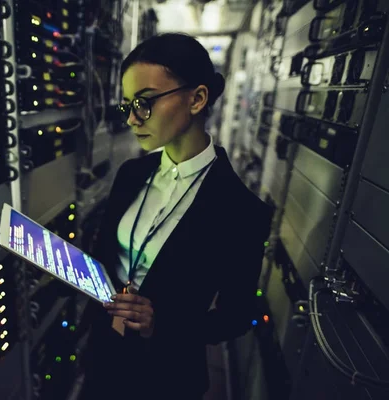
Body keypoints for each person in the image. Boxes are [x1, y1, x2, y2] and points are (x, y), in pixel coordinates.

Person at [79, 33, 273, 399]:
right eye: (127, 105)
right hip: (105, 355)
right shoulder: (131, 174)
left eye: (146, 102)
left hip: (166, 375)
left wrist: (161, 325)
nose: (133, 119)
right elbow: (108, 255)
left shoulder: (240, 210)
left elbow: (237, 316)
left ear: (197, 98)